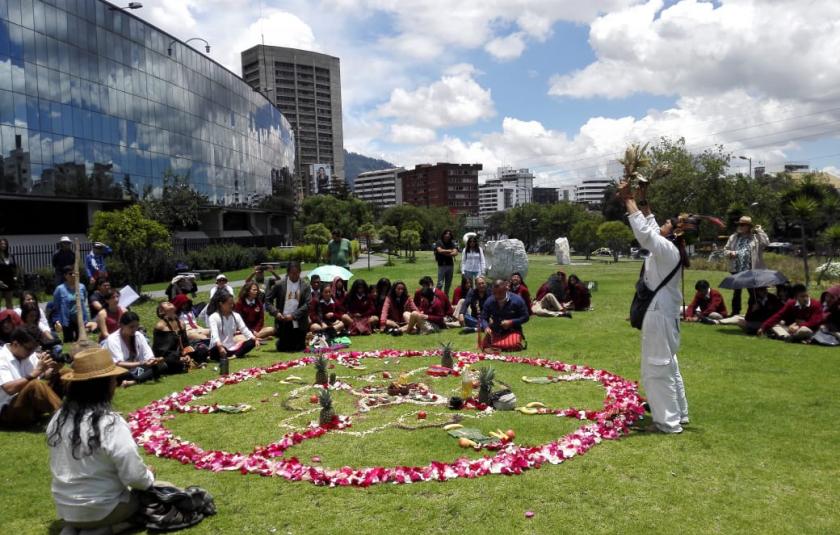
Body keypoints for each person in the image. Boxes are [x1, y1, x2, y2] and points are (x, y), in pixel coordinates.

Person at [47, 347, 155, 532]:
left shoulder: (58, 419)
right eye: (113, 379)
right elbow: (135, 477)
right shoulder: (110, 423)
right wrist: (150, 475)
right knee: (156, 494)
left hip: (65, 509)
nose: (116, 384)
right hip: (103, 508)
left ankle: (75, 528)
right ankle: (108, 528)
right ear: (104, 386)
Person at [620, 179, 689, 434]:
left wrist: (629, 200)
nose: (660, 225)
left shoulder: (666, 249)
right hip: (662, 313)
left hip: (659, 315)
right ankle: (679, 414)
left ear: (672, 232)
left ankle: (667, 423)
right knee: (668, 365)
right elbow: (651, 226)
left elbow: (646, 234)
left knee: (656, 368)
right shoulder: (670, 249)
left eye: (665, 225)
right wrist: (643, 200)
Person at [0, 326, 65, 427]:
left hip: (29, 405)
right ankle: (65, 416)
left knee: (65, 373)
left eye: (34, 349)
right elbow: (9, 389)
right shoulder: (1, 358)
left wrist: (54, 369)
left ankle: (86, 407)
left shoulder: (28, 355)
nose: (31, 352)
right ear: (15, 344)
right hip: (7, 411)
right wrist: (36, 372)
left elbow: (44, 376)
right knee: (34, 384)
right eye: (29, 349)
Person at [104, 312, 165, 387]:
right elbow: (118, 364)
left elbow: (148, 356)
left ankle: (133, 381)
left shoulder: (138, 335)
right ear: (122, 325)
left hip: (136, 371)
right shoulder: (112, 339)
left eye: (136, 326)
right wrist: (142, 363)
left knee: (161, 365)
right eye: (131, 327)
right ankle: (142, 377)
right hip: (120, 371)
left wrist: (154, 360)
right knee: (125, 373)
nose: (134, 329)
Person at [723, 216, 769, 316]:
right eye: (739, 224)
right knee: (736, 293)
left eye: (743, 225)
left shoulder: (755, 238)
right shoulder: (733, 237)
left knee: (753, 293)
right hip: (736, 269)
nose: (740, 226)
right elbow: (725, 250)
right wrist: (730, 253)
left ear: (748, 227)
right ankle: (735, 312)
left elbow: (766, 243)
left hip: (750, 270)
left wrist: (760, 231)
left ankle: (751, 312)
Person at [265, 262, 312, 352]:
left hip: (299, 321)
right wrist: (276, 313)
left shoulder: (305, 286)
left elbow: (308, 304)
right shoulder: (279, 285)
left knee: (299, 348)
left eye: (297, 273)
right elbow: (268, 301)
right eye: (292, 273)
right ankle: (280, 342)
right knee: (284, 348)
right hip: (283, 321)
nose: (295, 275)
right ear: (288, 272)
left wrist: (293, 316)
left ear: (300, 272)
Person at [153, 301, 208, 373]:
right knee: (171, 361)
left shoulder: (181, 323)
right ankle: (191, 364)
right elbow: (160, 351)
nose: (169, 303)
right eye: (165, 303)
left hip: (181, 353)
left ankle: (189, 363)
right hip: (168, 355)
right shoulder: (160, 326)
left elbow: (185, 344)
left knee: (202, 349)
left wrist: (187, 354)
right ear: (161, 312)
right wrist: (179, 357)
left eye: (169, 302)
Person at [758, 283, 823, 342]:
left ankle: (790, 337)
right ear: (796, 297)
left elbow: (814, 322)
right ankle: (788, 337)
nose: (805, 298)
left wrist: (798, 326)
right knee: (775, 326)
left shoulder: (816, 304)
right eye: (802, 296)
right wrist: (763, 327)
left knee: (804, 330)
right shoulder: (791, 303)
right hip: (791, 329)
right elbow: (778, 315)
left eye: (806, 296)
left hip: (809, 329)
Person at [480, 279, 530, 352]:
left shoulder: (517, 300)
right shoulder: (489, 301)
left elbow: (526, 317)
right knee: (483, 344)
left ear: (506, 289)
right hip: (496, 331)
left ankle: (496, 346)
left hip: (512, 331)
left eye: (500, 293)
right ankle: (500, 346)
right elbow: (483, 318)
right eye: (494, 293)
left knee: (514, 343)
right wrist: (486, 327)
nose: (497, 295)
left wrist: (511, 322)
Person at [208, 291, 257, 361]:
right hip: (219, 348)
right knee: (216, 350)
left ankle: (235, 355)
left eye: (232, 304)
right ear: (221, 304)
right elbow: (214, 334)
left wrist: (253, 338)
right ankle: (230, 355)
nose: (232, 306)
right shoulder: (213, 317)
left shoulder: (236, 315)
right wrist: (219, 346)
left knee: (252, 342)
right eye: (229, 304)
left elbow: (244, 329)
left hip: (232, 347)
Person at [52, 266, 95, 343]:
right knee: (69, 341)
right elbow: (56, 305)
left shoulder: (82, 287)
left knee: (81, 340)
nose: (73, 275)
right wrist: (57, 320)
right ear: (65, 275)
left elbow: (84, 299)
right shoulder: (60, 289)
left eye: (75, 273)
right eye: (70, 274)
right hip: (67, 319)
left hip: (80, 318)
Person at [716, 286, 782, 334]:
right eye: (761, 290)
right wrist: (753, 310)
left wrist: (764, 309)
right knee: (741, 322)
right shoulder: (753, 299)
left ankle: (760, 330)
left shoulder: (773, 298)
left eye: (765, 289)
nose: (764, 292)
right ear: (757, 291)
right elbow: (748, 317)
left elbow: (776, 312)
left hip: (770, 321)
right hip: (757, 322)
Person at [434, 229, 459, 297]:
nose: (448, 235)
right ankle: (437, 297)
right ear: (443, 234)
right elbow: (440, 250)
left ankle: (445, 297)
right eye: (446, 233)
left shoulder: (452, 243)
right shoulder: (439, 242)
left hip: (450, 265)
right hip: (442, 265)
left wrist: (446, 253)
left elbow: (455, 252)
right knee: (440, 283)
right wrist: (449, 250)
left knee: (448, 283)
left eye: (449, 234)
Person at [0, 237, 17, 309]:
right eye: (1, 244)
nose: (3, 245)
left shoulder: (11, 255)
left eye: (4, 244)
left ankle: (10, 317)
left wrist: (15, 276)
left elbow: (14, 267)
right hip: (0, 281)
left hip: (9, 281)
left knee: (9, 301)